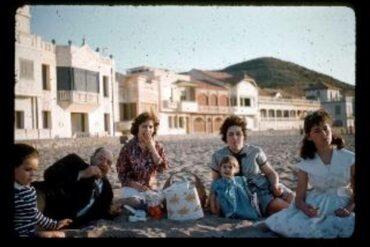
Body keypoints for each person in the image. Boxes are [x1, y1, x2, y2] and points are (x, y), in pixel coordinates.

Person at [264, 110, 355, 238]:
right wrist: (307, 210)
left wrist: (349, 208)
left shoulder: (349, 158)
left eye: (325, 128)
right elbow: (299, 198)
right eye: (317, 131)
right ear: (309, 136)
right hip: (317, 204)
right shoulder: (306, 163)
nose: (324, 134)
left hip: (343, 203)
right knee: (295, 225)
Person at [210, 115, 294, 217]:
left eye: (238, 134)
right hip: (248, 194)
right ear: (225, 137)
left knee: (292, 198)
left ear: (244, 136)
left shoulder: (255, 151)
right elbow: (215, 181)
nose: (235, 138)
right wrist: (212, 199)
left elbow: (270, 172)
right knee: (278, 205)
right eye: (230, 134)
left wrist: (275, 185)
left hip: (264, 184)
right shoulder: (218, 156)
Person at [32, 147, 121, 228]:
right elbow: (49, 174)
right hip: (44, 198)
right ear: (92, 158)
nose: (104, 164)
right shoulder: (74, 161)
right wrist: (82, 173)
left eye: (108, 162)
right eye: (101, 159)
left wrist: (112, 212)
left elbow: (100, 212)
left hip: (63, 222)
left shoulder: (107, 189)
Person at [13, 143, 72, 238]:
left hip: (31, 233)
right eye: (28, 170)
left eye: (34, 170)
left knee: (59, 235)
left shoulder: (29, 190)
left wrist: (54, 224)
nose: (32, 174)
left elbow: (35, 214)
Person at [116, 112, 169, 209]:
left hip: (151, 188)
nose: (148, 130)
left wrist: (152, 148)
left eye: (150, 127)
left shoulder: (158, 147)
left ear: (154, 129)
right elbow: (122, 175)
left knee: (165, 201)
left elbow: (163, 168)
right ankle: (121, 202)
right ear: (137, 128)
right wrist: (137, 186)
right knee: (137, 202)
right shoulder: (128, 148)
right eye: (144, 126)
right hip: (132, 188)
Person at [209, 155, 261, 220]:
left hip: (239, 202)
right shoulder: (218, 182)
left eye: (230, 167)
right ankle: (217, 212)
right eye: (224, 167)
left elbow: (247, 191)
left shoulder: (240, 179)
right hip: (225, 204)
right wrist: (213, 207)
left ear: (236, 170)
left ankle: (242, 212)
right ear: (220, 169)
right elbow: (212, 195)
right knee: (215, 196)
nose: (227, 169)